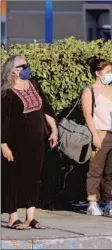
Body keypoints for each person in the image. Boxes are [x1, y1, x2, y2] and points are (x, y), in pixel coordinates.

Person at [1, 55, 58, 230]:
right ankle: (12, 217)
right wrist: (3, 145)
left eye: (27, 65)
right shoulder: (6, 94)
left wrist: (54, 129)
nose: (27, 68)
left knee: (34, 177)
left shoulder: (34, 85)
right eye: (22, 66)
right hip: (16, 143)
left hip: (37, 142)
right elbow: (3, 121)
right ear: (12, 72)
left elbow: (46, 108)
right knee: (13, 178)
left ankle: (30, 217)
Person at [81, 57, 112, 216]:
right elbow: (88, 115)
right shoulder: (89, 91)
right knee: (96, 169)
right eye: (107, 72)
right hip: (100, 132)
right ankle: (92, 201)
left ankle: (109, 200)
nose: (110, 75)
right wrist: (94, 136)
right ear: (98, 73)